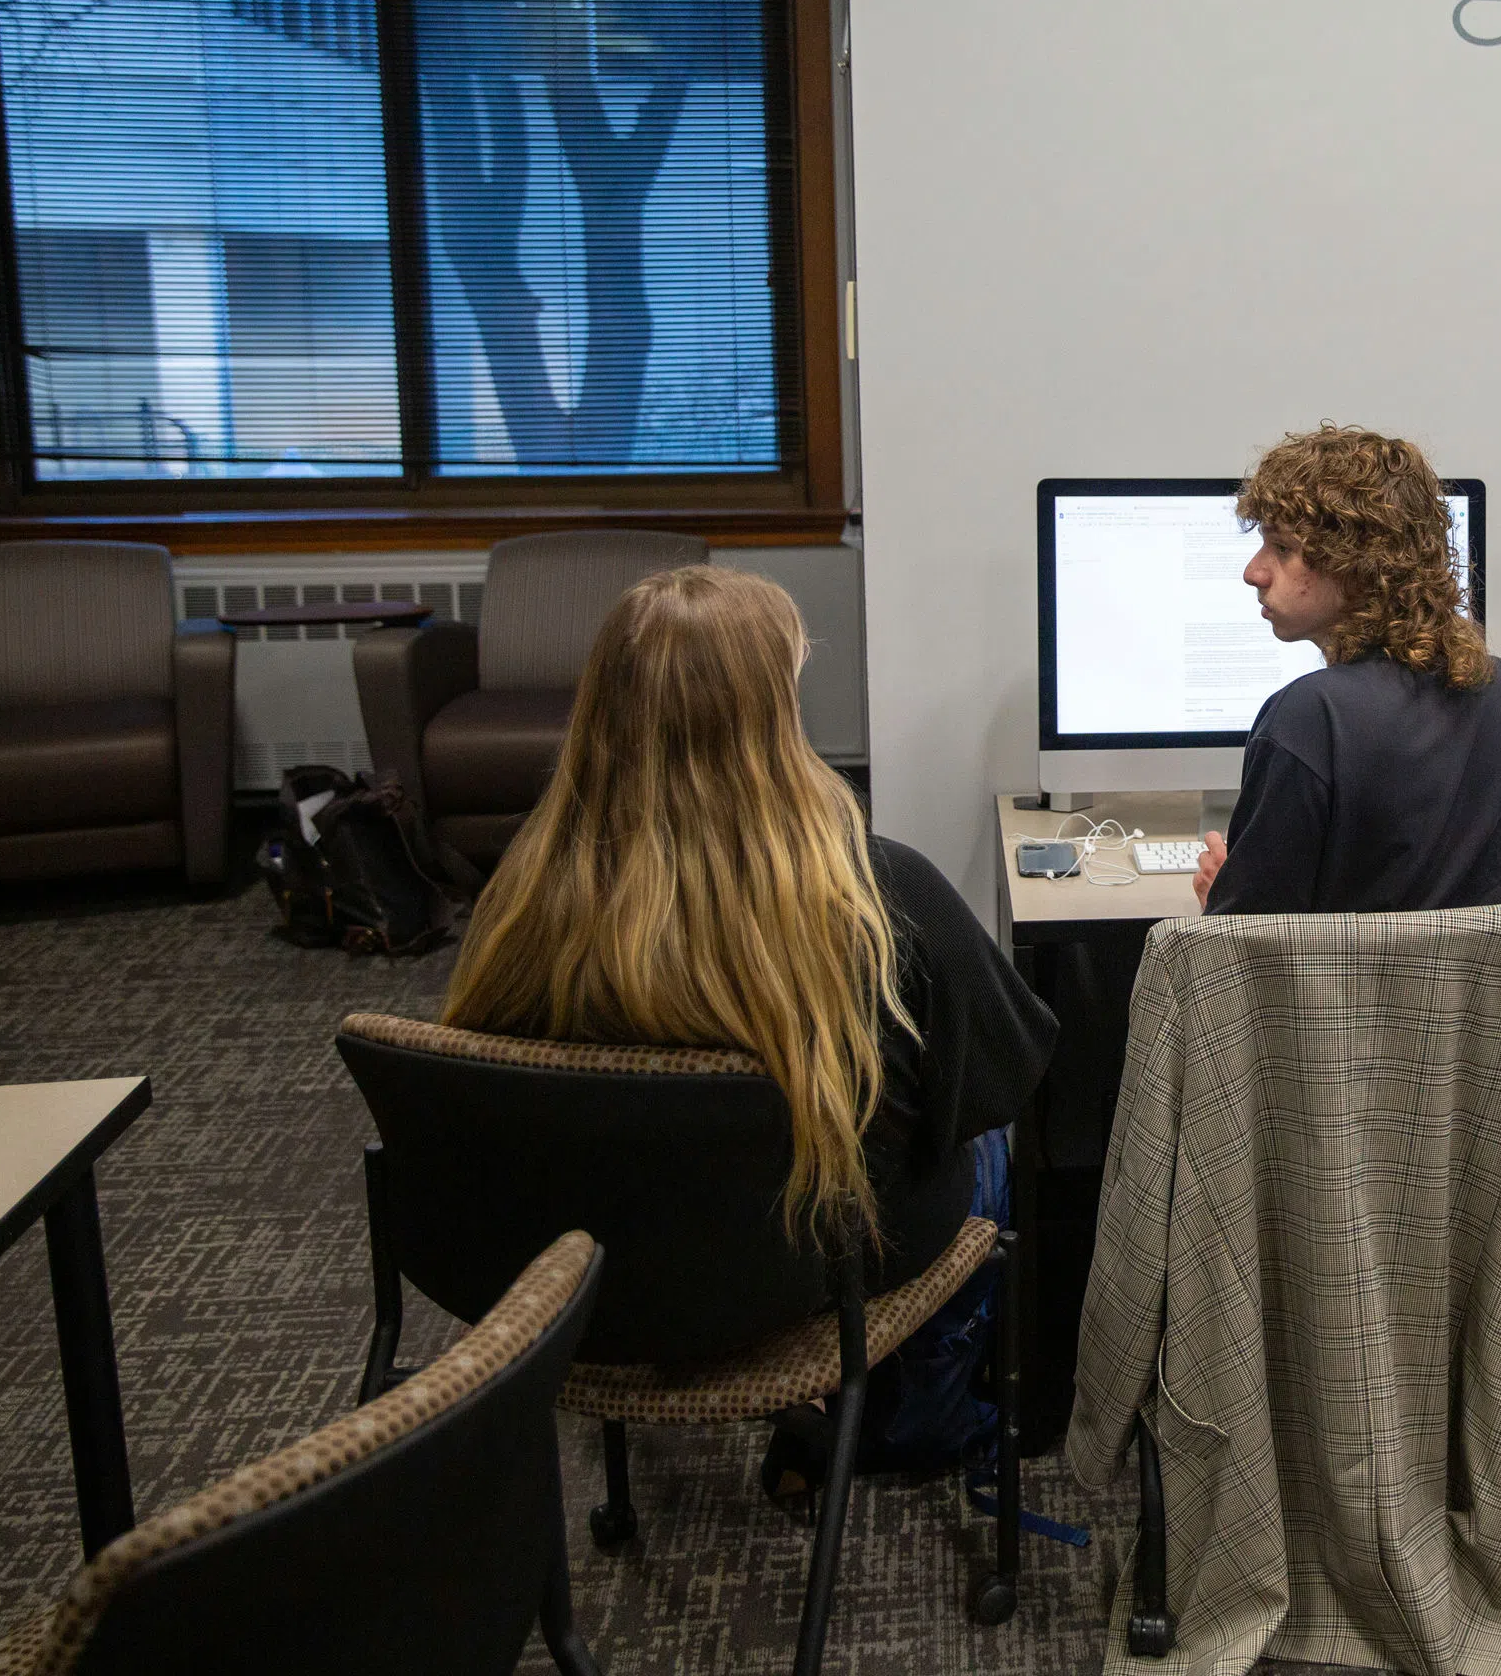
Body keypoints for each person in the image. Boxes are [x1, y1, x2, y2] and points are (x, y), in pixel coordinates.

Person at [442, 565, 1057, 1490]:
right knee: (995, 1148)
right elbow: (1011, 1072)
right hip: (810, 1271)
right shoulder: (881, 890)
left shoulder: (525, 893)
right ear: (770, 711)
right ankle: (916, 1428)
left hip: (595, 1273)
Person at [1194, 425, 1501, 915]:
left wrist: (1220, 895)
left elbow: (1250, 945)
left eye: (1283, 548)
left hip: (1349, 995)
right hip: (1495, 993)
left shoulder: (1309, 716)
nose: (1254, 571)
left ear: (1359, 565)